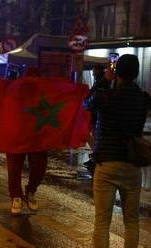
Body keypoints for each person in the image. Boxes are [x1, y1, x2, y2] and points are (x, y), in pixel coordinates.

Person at [84, 54, 151, 248]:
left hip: (107, 163)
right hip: (132, 164)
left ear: (116, 72)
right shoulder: (143, 99)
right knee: (132, 221)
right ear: (136, 73)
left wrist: (104, 80)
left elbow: (86, 103)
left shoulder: (106, 96)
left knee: (102, 222)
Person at [6, 66, 47, 215]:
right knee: (13, 168)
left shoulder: (45, 95)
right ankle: (16, 196)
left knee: (39, 167)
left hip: (37, 137)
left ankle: (30, 191)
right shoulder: (15, 93)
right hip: (17, 136)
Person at [84, 64, 110, 176]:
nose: (93, 73)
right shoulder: (101, 81)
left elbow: (91, 101)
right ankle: (95, 156)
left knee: (94, 136)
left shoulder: (101, 83)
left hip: (96, 116)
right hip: (96, 116)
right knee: (93, 136)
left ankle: (96, 156)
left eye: (94, 70)